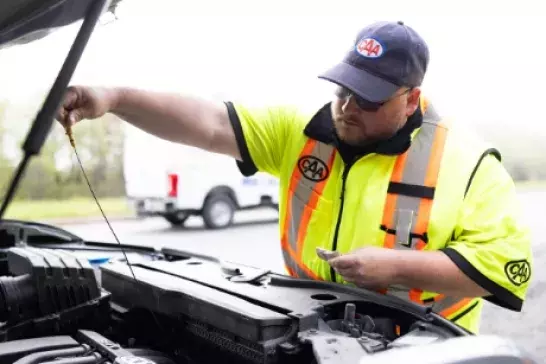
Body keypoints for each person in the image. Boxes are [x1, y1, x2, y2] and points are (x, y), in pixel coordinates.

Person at [56, 20, 533, 334]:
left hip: (422, 348)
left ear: (411, 99)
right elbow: (210, 122)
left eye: (368, 99)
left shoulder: (468, 164)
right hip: (308, 338)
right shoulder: (302, 131)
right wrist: (115, 97)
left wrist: (394, 267)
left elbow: (505, 271)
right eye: (343, 90)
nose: (346, 109)